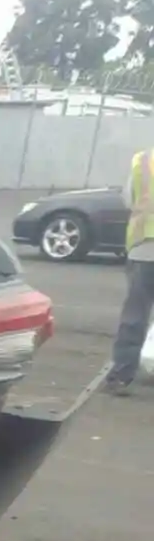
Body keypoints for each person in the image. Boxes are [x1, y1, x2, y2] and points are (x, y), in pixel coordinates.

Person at [105, 145, 154, 393]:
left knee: (135, 314)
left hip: (145, 250)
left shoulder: (143, 161)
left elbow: (128, 198)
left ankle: (122, 374)